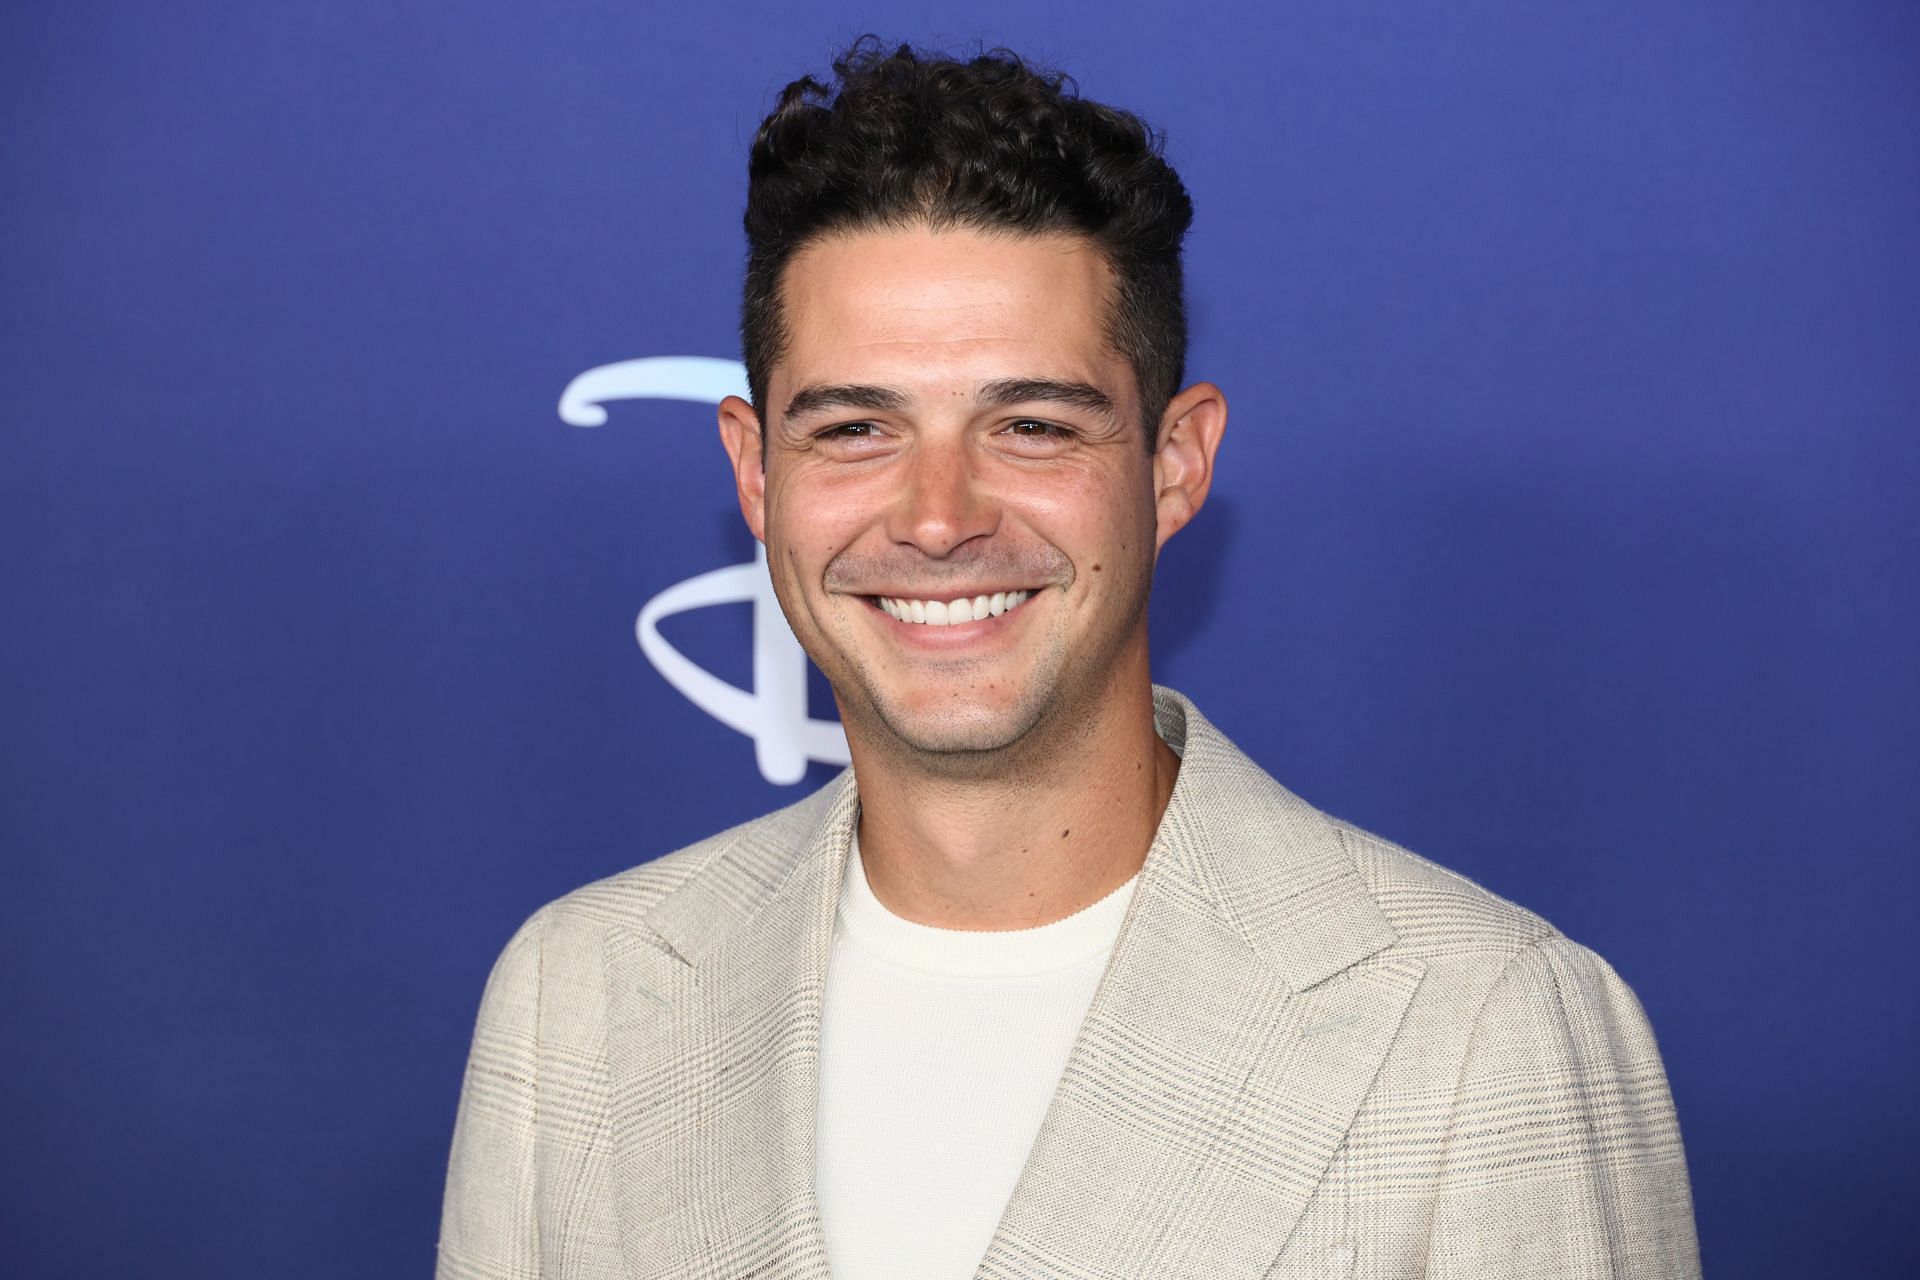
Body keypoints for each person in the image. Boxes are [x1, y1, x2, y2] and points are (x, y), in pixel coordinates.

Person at [437, 40, 1701, 1280]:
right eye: (858, 427)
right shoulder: (578, 1003)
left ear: (1174, 465)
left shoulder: (1488, 1029)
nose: (939, 516)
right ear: (756, 472)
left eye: (1032, 425)